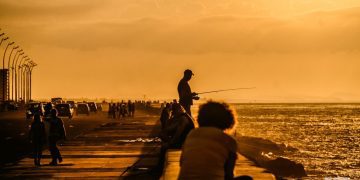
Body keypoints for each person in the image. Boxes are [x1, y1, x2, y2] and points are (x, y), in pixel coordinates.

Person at [179, 101, 251, 180]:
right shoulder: (229, 141)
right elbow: (228, 175)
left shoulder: (191, 134)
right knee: (247, 179)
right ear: (227, 119)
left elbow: (182, 163)